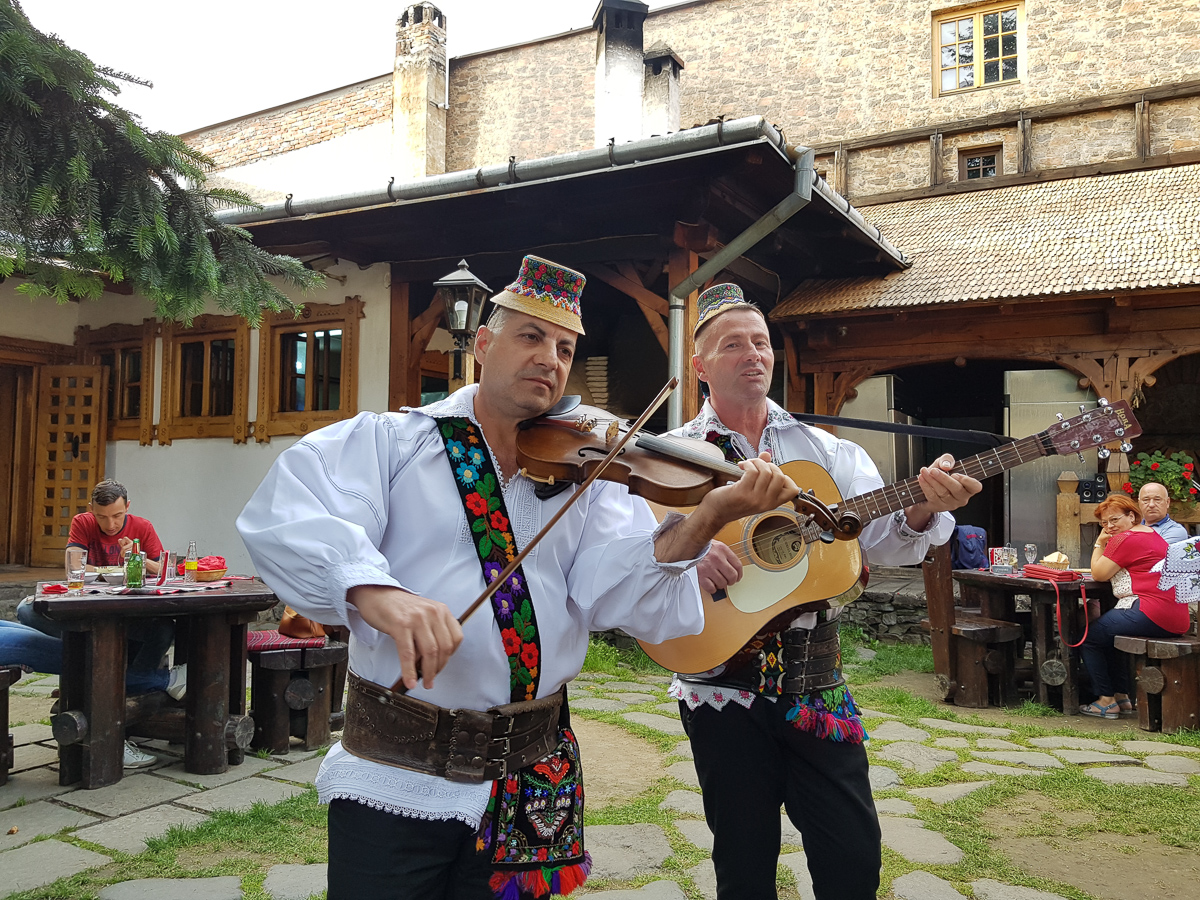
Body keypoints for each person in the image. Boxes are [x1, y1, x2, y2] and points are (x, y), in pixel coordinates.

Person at [236, 256, 801, 900]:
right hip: (401, 765)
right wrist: (378, 593)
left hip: (534, 768)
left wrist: (710, 516)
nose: (550, 359)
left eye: (564, 347)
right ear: (482, 344)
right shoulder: (395, 441)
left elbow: (619, 592)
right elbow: (293, 511)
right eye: (530, 336)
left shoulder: (589, 475)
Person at [667, 284, 982, 900]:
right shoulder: (671, 456)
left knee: (852, 860)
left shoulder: (826, 450)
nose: (753, 354)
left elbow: (889, 541)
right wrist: (690, 556)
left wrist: (922, 510)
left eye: (761, 342)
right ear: (700, 366)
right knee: (742, 861)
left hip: (816, 680)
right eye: (733, 344)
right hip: (718, 682)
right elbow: (639, 550)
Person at [17, 479, 182, 768]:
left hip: (130, 613)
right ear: (91, 509)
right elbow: (73, 565)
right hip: (90, 612)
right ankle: (133, 692)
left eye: (117, 516)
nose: (110, 524)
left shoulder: (142, 527)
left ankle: (128, 697)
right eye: (102, 516)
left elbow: (165, 570)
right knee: (26, 611)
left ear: (127, 507)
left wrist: (138, 558)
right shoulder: (83, 522)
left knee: (164, 628)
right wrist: (109, 568)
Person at [1080, 494, 1189, 718]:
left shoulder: (1126, 538)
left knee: (1089, 638)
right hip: (1176, 616)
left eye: (1114, 520)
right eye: (1104, 523)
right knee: (1110, 637)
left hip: (1150, 611)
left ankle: (1105, 701)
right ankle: (1122, 696)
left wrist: (1100, 542)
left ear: (1132, 516)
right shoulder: (1152, 534)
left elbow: (1099, 574)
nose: (1109, 526)